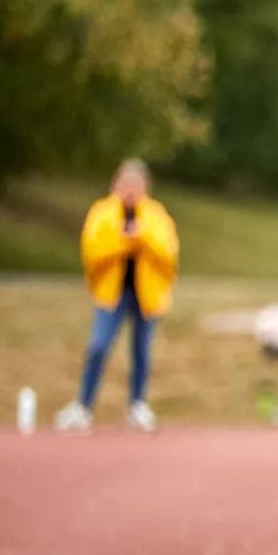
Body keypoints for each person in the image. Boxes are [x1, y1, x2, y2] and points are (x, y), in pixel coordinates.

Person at [55, 159, 180, 434]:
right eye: (126, 185)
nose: (131, 191)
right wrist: (125, 242)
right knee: (98, 347)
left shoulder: (155, 215)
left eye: (136, 185)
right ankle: (83, 406)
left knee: (141, 351)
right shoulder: (103, 213)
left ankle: (137, 406)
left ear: (145, 187)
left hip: (147, 294)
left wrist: (141, 238)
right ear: (115, 184)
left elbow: (168, 253)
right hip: (112, 294)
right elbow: (93, 252)